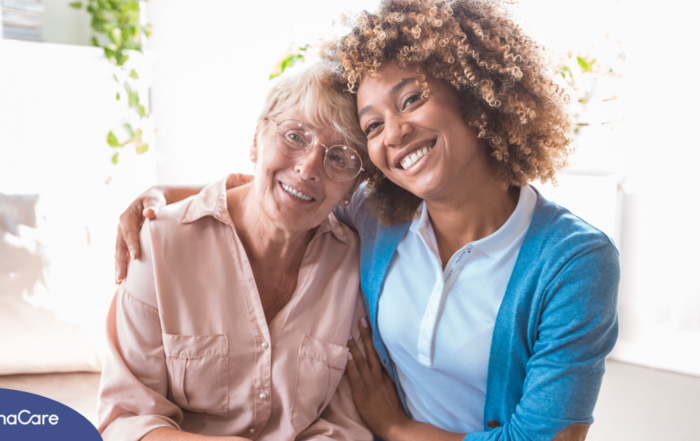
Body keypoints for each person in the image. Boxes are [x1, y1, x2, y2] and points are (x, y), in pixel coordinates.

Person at [114, 1, 620, 440]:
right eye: (373, 124)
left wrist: (395, 427)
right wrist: (162, 196)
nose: (395, 133)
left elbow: (547, 439)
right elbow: (284, 186)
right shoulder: (380, 217)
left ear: (475, 94)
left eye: (412, 99)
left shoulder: (574, 262)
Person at [98, 62, 374, 441]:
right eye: (295, 136)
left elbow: (343, 425)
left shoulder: (354, 264)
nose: (310, 167)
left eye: (340, 158)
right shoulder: (160, 245)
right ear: (256, 139)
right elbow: (126, 420)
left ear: (353, 187)